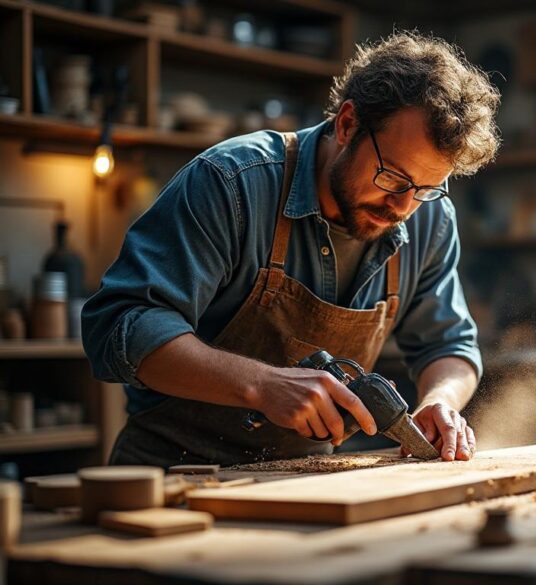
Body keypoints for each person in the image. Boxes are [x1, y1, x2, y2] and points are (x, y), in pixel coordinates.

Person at [81, 32, 501, 468]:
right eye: (393, 178)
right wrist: (261, 385)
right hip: (170, 473)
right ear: (347, 124)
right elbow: (119, 326)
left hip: (301, 477)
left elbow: (450, 345)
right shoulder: (232, 183)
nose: (402, 206)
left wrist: (440, 400)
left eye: (426, 188)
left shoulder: (429, 220)